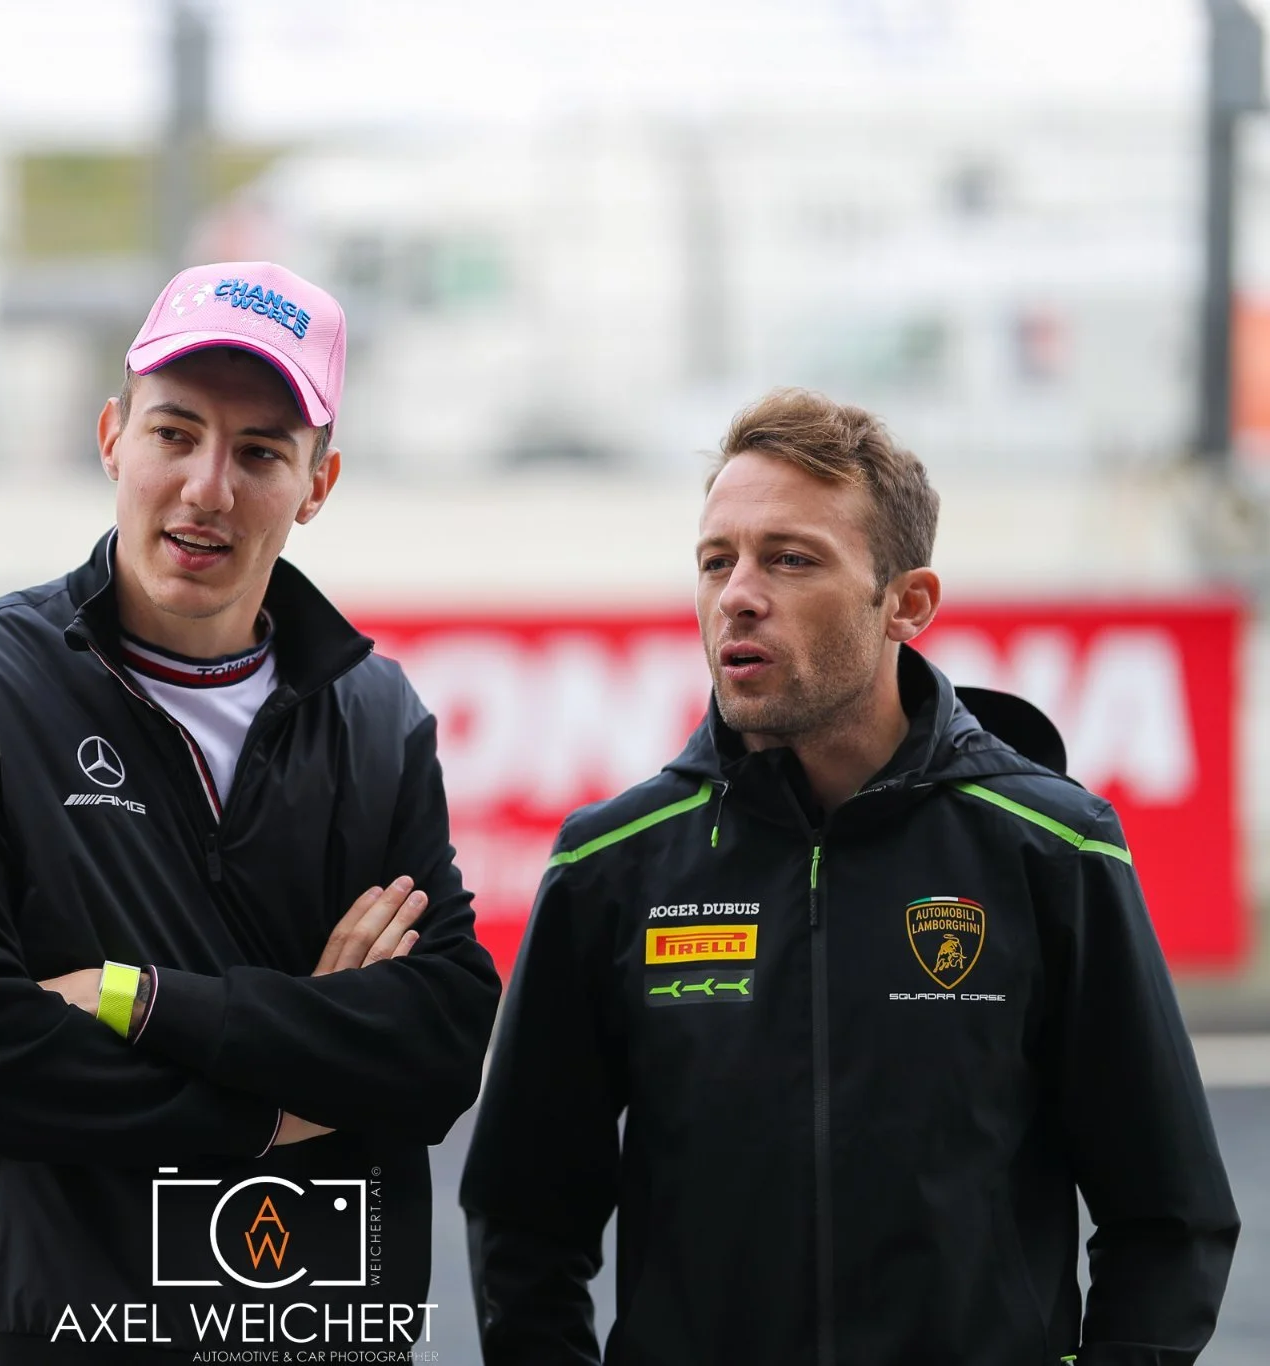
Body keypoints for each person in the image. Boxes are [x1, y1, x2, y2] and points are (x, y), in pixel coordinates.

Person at [459, 388, 1239, 1365]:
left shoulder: (1052, 847)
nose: (738, 594)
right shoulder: (608, 863)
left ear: (906, 604)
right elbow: (523, 1220)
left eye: (790, 558)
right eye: (716, 560)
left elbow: (1168, 1217)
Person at [0, 261, 500, 1365]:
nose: (208, 487)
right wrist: (286, 1101)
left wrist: (133, 996)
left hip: (313, 1326)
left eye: (259, 452)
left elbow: (438, 1048)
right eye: (175, 433)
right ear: (112, 437)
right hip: (60, 1332)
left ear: (317, 483)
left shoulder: (375, 714)